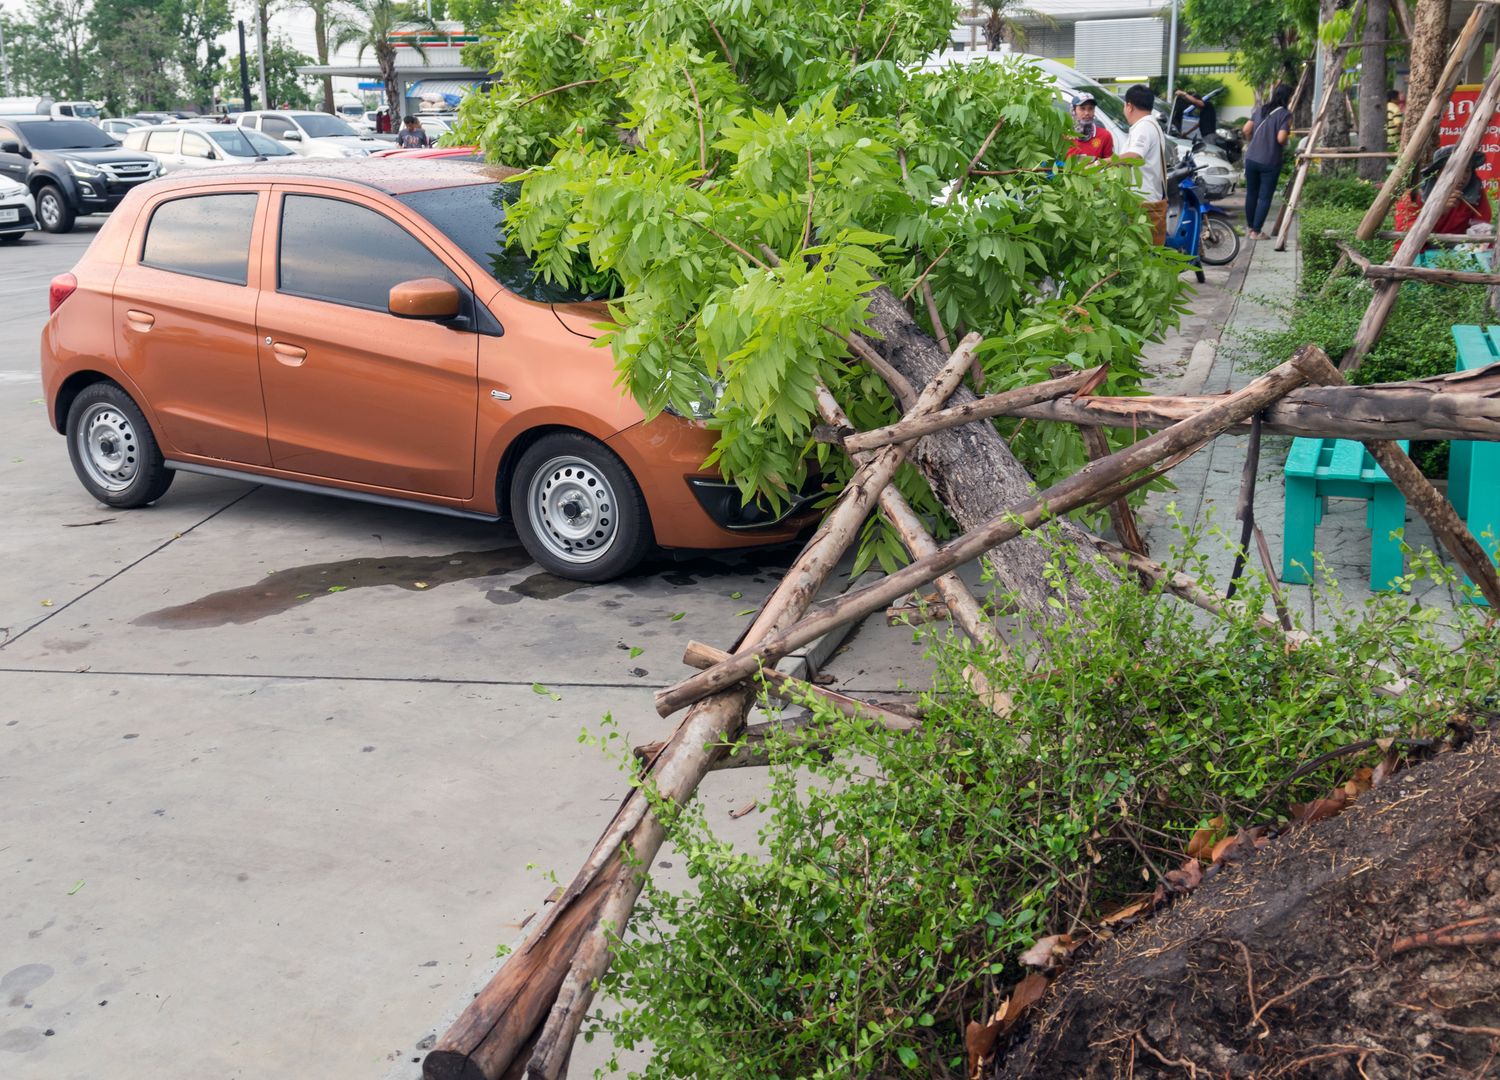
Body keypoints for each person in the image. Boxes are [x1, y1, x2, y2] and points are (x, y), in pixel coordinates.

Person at [1393, 146, 1492, 243]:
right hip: (1417, 253)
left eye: (1467, 170)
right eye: (1454, 170)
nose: (1462, 176)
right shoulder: (1414, 195)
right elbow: (1405, 233)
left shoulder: (1475, 194)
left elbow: (1482, 225)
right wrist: (1437, 211)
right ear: (1437, 173)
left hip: (1459, 253)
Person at [1241, 83, 1294, 239]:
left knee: (1251, 193)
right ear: (1288, 97)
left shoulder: (1261, 109)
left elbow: (1246, 129)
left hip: (1251, 157)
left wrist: (1254, 142)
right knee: (1264, 197)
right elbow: (1281, 138)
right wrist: (1285, 144)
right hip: (1269, 160)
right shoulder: (1285, 114)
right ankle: (1256, 232)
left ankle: (1250, 228)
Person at [1119, 84, 1169, 245]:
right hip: (1146, 199)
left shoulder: (1144, 127)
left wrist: (1101, 163)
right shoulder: (1150, 125)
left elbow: (1134, 156)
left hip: (1143, 203)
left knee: (1140, 254)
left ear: (1129, 106)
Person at [1065, 92, 1114, 161]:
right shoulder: (1064, 134)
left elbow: (1110, 164)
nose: (1087, 113)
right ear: (1073, 111)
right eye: (1082, 108)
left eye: (1090, 108)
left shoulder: (1105, 135)